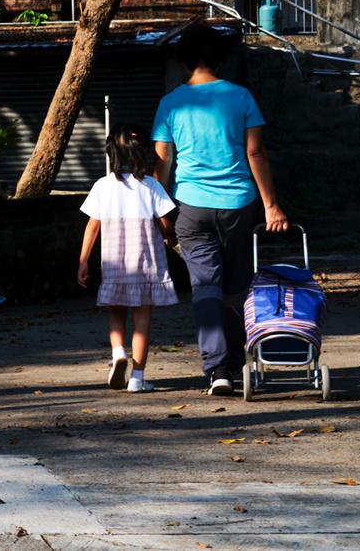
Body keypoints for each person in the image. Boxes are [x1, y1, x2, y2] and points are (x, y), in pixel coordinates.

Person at [153, 21, 289, 397]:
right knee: (236, 287)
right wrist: (272, 207)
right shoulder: (241, 97)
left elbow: (162, 163)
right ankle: (236, 362)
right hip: (239, 205)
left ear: (183, 60)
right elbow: (255, 153)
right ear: (219, 59)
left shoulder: (170, 103)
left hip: (191, 207)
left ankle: (217, 371)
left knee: (205, 288)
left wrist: (159, 212)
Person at [77, 127, 179, 392]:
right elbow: (165, 222)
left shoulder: (102, 186)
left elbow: (93, 226)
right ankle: (137, 378)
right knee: (142, 319)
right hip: (145, 263)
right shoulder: (151, 185)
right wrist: (170, 235)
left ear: (112, 153)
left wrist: (83, 261)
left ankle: (118, 352)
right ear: (142, 153)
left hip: (114, 263)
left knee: (116, 312)